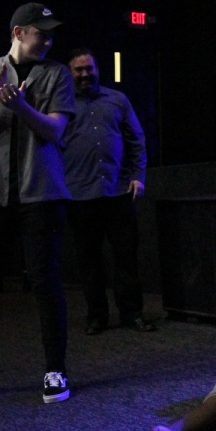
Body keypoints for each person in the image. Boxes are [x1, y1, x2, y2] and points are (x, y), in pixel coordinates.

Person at [0, 3, 76, 404]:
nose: (49, 40)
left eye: (51, 34)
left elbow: (55, 131)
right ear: (19, 33)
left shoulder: (57, 74)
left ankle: (56, 371)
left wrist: (20, 106)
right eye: (42, 33)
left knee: (46, 283)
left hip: (42, 195)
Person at [63, 48, 151, 334]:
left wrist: (138, 176)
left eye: (89, 68)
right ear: (70, 73)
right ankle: (96, 317)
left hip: (118, 191)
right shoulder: (61, 104)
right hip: (79, 194)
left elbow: (136, 139)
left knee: (126, 258)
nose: (85, 74)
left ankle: (132, 313)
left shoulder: (118, 99)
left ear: (97, 69)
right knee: (89, 262)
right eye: (79, 70)